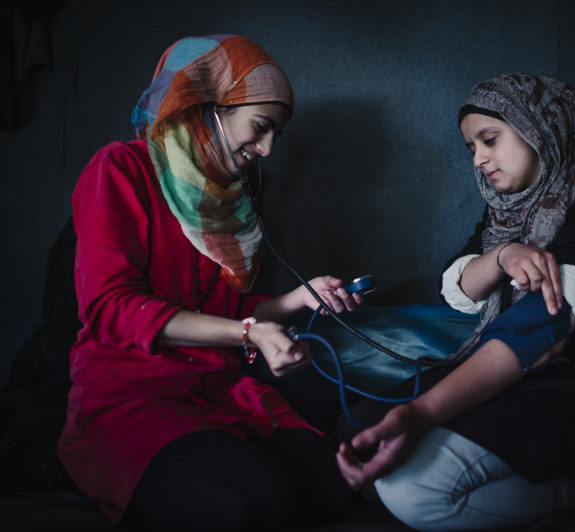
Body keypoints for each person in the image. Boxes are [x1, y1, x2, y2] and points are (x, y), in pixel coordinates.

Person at [336, 74, 575, 531]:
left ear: (541, 127)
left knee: (413, 491)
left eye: (489, 139)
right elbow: (460, 289)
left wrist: (421, 415)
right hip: (527, 373)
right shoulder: (511, 210)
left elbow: (543, 325)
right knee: (358, 434)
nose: (479, 159)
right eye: (471, 147)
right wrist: (503, 253)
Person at [57, 34, 363, 531]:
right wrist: (248, 334)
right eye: (260, 128)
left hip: (216, 390)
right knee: (247, 501)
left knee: (330, 489)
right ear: (208, 106)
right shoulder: (120, 169)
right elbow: (109, 307)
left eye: (274, 138)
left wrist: (296, 301)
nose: (264, 150)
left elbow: (226, 310)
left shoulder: (230, 204)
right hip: (132, 400)